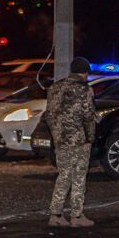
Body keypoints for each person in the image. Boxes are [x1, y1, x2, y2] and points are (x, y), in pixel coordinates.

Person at [46, 57, 96, 227]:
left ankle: (56, 214)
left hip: (60, 139)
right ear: (85, 72)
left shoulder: (54, 88)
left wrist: (56, 134)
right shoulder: (84, 89)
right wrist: (90, 137)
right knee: (79, 176)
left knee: (64, 175)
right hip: (79, 139)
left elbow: (49, 115)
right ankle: (77, 215)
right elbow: (88, 116)